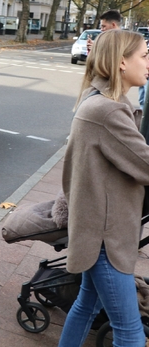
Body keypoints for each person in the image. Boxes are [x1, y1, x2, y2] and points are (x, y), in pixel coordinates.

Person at [58, 29, 149, 347]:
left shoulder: (97, 100)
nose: (148, 63)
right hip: (105, 239)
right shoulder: (108, 112)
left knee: (86, 305)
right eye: (144, 56)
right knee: (130, 333)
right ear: (122, 62)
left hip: (96, 229)